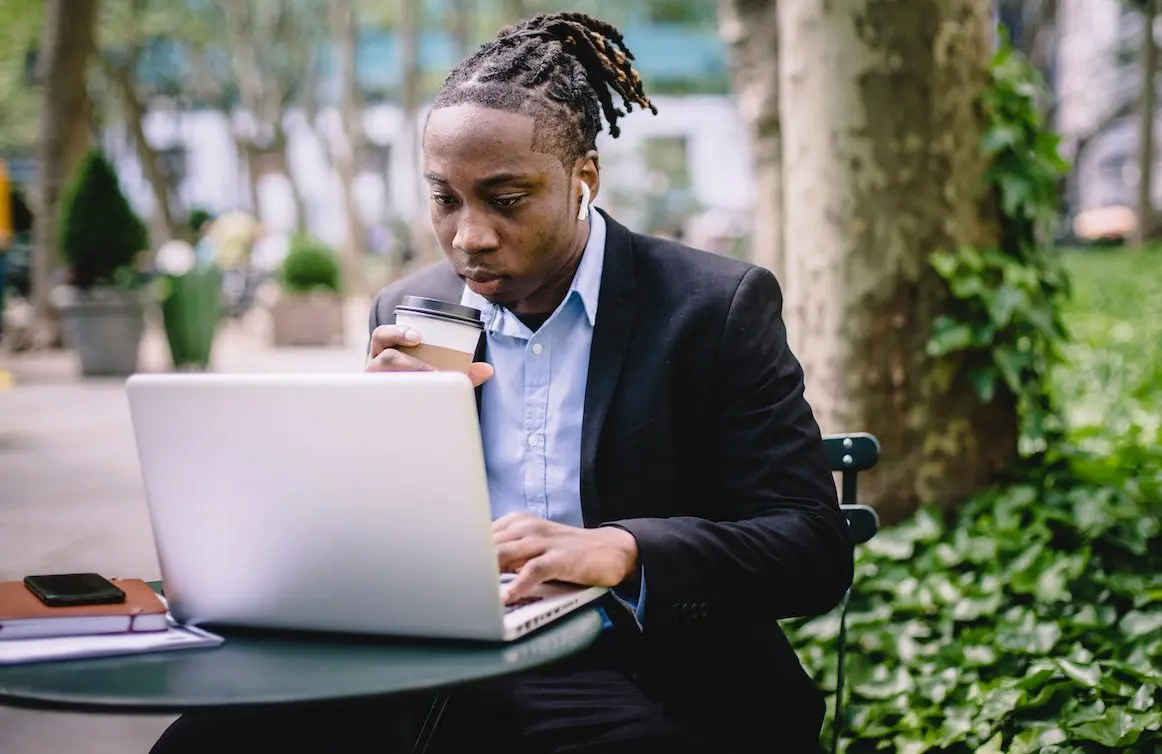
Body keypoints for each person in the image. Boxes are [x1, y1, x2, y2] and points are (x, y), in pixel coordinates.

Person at [149, 12, 852, 754]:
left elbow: (810, 549)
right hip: (438, 672)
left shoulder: (712, 309)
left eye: (506, 199)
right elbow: (380, 549)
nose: (468, 236)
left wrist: (624, 550)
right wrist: (369, 450)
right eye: (445, 199)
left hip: (641, 671)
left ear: (583, 179)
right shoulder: (412, 312)